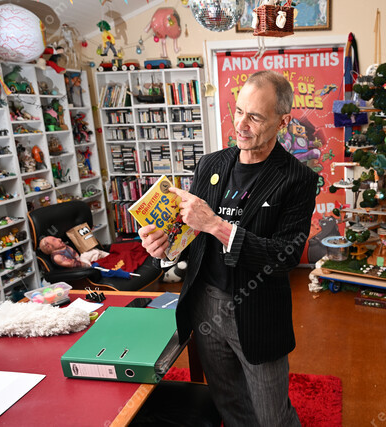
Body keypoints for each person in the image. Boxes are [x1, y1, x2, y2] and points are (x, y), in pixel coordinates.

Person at [139, 70, 318, 426]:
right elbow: (192, 239)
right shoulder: (211, 164)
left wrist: (217, 225)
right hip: (205, 302)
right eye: (238, 111)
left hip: (257, 310)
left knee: (272, 416)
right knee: (229, 403)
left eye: (255, 117)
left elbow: (283, 257)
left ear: (282, 122)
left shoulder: (298, 179)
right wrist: (165, 248)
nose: (241, 124)